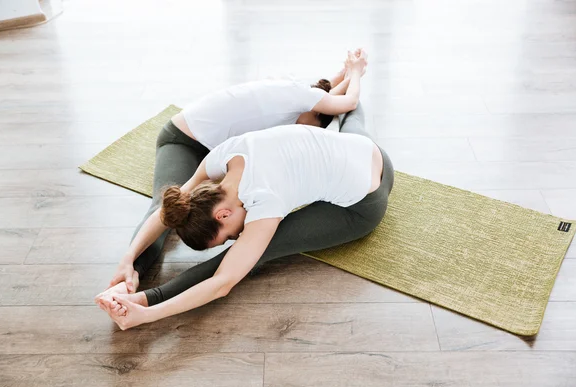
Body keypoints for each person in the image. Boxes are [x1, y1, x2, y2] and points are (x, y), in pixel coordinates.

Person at [96, 103, 394, 331]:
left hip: (365, 202)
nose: (236, 237)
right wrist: (129, 258)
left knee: (263, 249)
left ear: (223, 214)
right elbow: (167, 210)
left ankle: (151, 297)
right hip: (366, 148)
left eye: (227, 236)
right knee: (351, 116)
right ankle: (344, 87)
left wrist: (147, 312)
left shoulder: (264, 199)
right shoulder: (225, 156)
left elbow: (223, 281)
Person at [100, 49, 369, 296]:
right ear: (315, 108)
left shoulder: (300, 97)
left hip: (215, 152)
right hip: (184, 140)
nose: (312, 131)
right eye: (318, 125)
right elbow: (347, 101)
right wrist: (356, 70)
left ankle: (131, 278)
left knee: (182, 211)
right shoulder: (299, 97)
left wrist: (344, 74)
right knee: (167, 208)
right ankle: (127, 274)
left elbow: (325, 94)